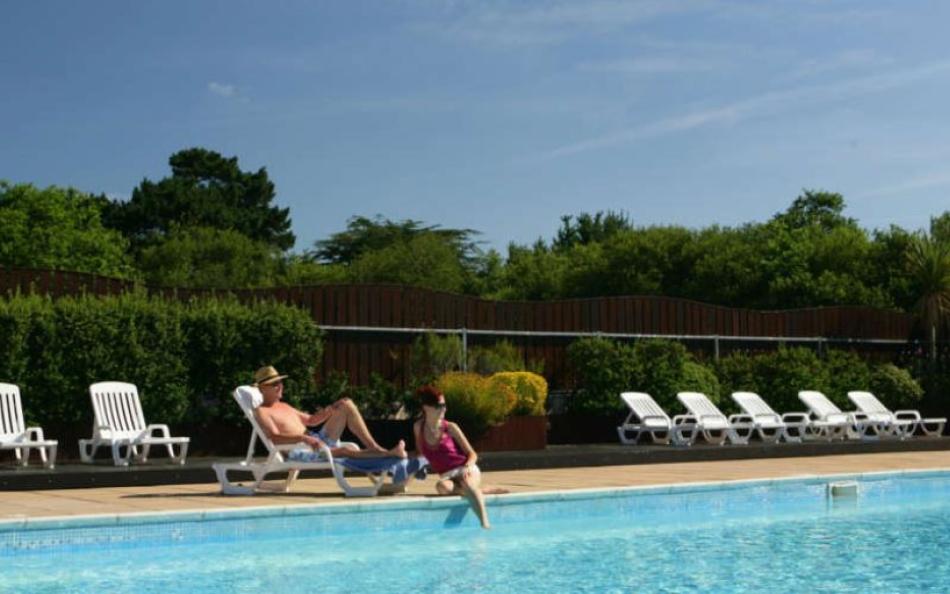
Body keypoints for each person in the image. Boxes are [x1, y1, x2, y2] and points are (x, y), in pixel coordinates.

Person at [253, 365, 406, 460]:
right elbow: (274, 438)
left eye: (280, 382)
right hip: (299, 451)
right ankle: (389, 454)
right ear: (262, 389)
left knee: (347, 404)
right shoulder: (262, 411)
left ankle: (375, 448)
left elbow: (311, 420)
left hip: (315, 441)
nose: (280, 386)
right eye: (274, 384)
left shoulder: (285, 406)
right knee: (345, 450)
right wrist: (303, 438)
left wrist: (330, 409)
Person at [413, 385, 506, 529]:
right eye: (439, 405)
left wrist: (468, 466)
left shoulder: (450, 427)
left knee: (467, 484)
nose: (444, 409)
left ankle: (484, 523)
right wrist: (418, 466)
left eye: (444, 405)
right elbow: (421, 452)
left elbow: (472, 454)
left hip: (464, 468)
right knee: (441, 487)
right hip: (447, 475)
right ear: (426, 407)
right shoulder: (418, 427)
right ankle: (482, 491)